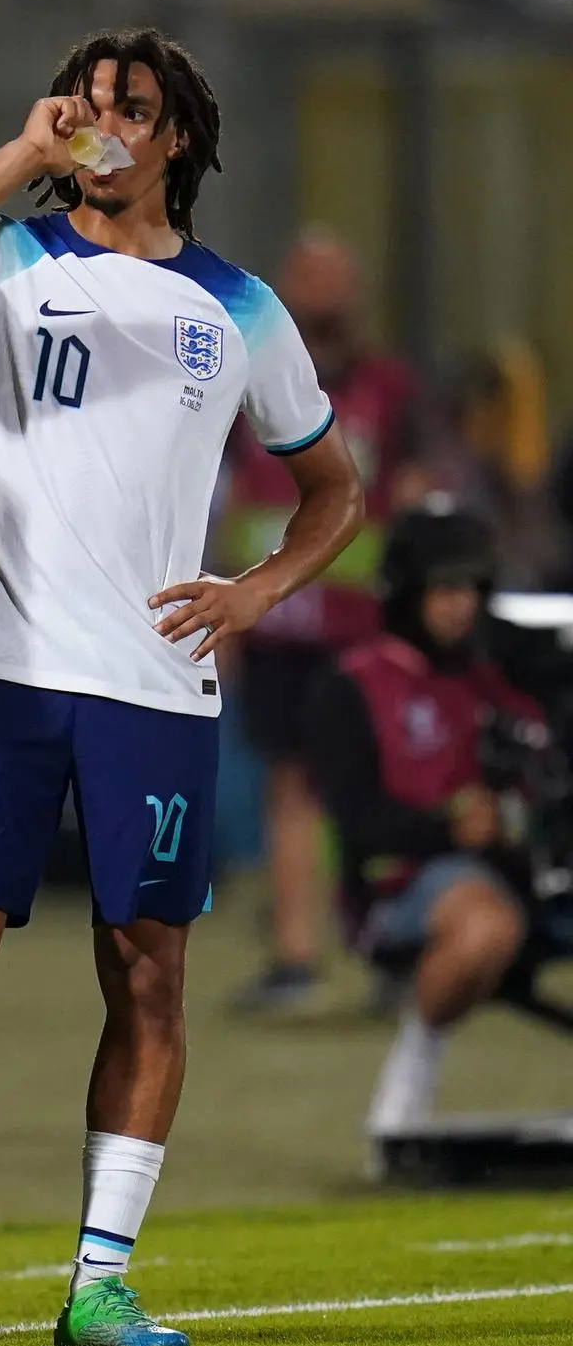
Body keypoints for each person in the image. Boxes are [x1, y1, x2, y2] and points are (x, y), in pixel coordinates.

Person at [0, 25, 363, 1346]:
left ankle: (101, 1280)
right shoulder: (14, 258)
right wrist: (18, 151)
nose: (103, 122)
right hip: (0, 673)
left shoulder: (240, 308)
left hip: (153, 693)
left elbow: (334, 486)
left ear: (178, 136)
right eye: (86, 103)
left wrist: (254, 591)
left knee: (151, 978)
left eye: (131, 107)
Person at [220, 231, 429, 1013]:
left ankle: (389, 945)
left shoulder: (389, 389)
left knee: (374, 789)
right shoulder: (244, 378)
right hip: (274, 617)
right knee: (290, 787)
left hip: (362, 622)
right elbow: (230, 496)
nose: (321, 295)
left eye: (333, 279)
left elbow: (412, 494)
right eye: (308, 279)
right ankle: (296, 955)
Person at [304, 499, 538, 1159]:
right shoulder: (353, 684)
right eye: (444, 587)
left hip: (509, 870)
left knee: (494, 914)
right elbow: (356, 819)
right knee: (486, 926)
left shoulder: (498, 680)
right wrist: (453, 829)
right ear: (410, 590)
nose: (460, 604)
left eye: (471, 587)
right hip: (394, 884)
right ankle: (409, 1081)